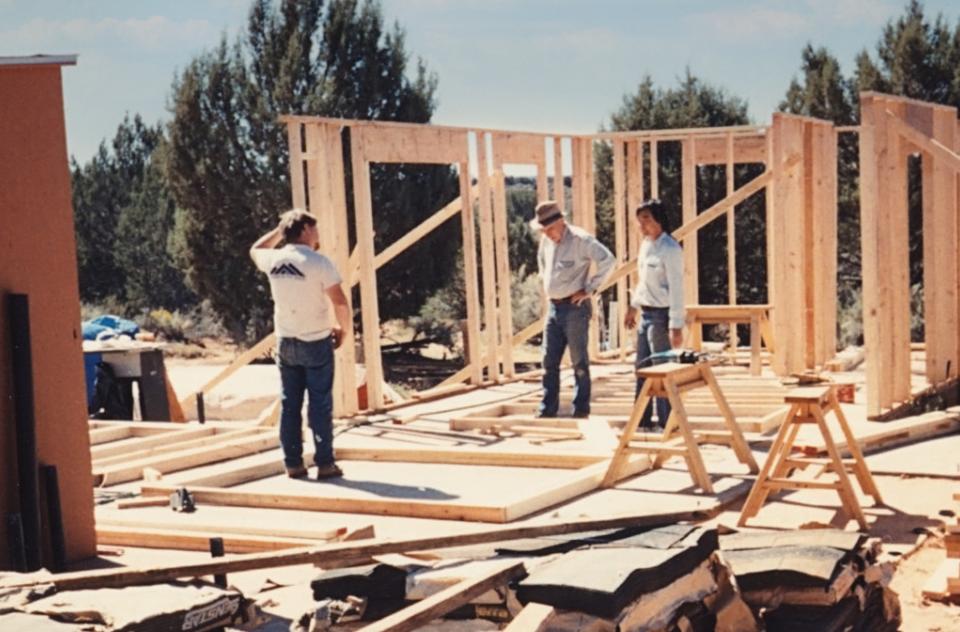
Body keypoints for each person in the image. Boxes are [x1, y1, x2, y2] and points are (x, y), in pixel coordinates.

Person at [250, 210, 351, 480]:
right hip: (315, 341)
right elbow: (340, 301)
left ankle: (293, 464)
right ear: (305, 229)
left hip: (286, 342)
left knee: (290, 403)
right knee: (319, 404)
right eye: (315, 229)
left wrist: (279, 231)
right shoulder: (318, 262)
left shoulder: (274, 259)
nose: (318, 235)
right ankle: (325, 464)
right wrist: (344, 330)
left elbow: (256, 248)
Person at [532, 200, 615, 418]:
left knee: (579, 362)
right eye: (544, 229)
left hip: (574, 308)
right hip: (554, 308)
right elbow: (541, 260)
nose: (547, 233)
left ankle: (581, 409)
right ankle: (547, 408)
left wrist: (590, 289)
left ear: (561, 221)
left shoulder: (581, 240)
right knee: (549, 361)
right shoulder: (546, 241)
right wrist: (545, 279)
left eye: (550, 228)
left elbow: (608, 260)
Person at [624, 199, 685, 429]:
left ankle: (668, 422)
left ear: (659, 219)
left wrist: (676, 325)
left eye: (646, 220)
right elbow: (642, 282)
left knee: (662, 371)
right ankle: (642, 421)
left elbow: (677, 288)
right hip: (646, 314)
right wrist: (633, 306)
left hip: (662, 316)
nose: (642, 226)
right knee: (642, 369)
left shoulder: (670, 249)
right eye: (639, 221)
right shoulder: (646, 246)